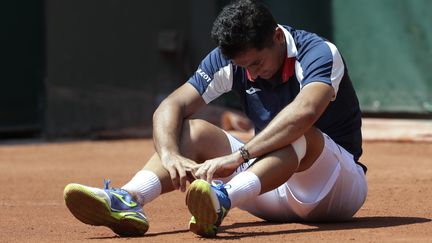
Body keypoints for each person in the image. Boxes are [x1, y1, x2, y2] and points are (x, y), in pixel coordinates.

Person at [63, 0, 368, 238]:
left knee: (300, 133)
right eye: (243, 67)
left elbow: (303, 114)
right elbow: (172, 105)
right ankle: (129, 198)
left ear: (276, 36)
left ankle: (221, 199)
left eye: (257, 63)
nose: (250, 74)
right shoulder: (230, 61)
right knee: (193, 132)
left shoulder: (317, 52)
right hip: (267, 186)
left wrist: (240, 156)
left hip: (332, 189)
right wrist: (171, 156)